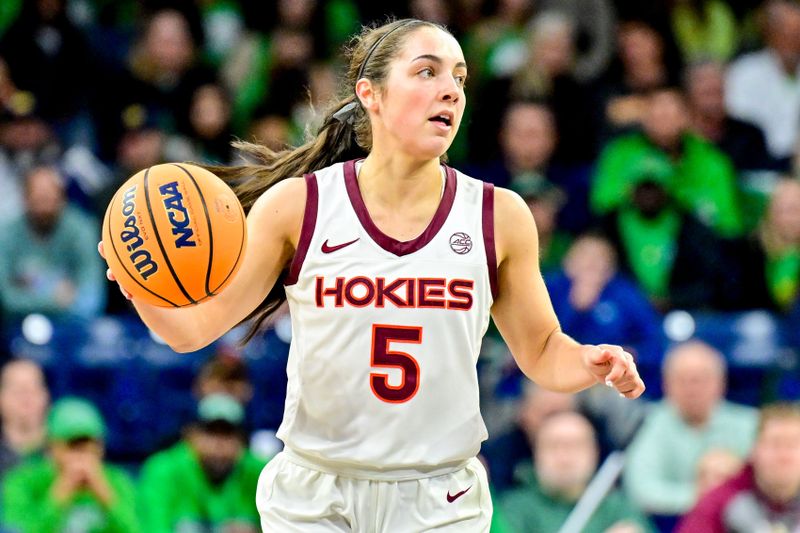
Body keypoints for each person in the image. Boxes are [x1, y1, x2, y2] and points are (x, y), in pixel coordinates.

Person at [100, 18, 644, 530]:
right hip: (317, 492)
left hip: (438, 494)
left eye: (458, 77)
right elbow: (191, 330)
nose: (450, 90)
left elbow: (544, 351)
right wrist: (133, 277)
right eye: (427, 72)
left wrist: (589, 362)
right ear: (371, 94)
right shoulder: (300, 205)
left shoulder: (499, 215)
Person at [623, 341, 757, 516]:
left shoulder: (751, 424)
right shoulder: (647, 423)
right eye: (682, 380)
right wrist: (705, 497)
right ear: (666, 385)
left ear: (721, 383)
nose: (692, 389)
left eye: (700, 380)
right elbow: (640, 490)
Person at [499, 411, 654, 533]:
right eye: (553, 446)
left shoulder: (619, 508)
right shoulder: (513, 509)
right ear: (536, 453)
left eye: (575, 446)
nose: (564, 457)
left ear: (594, 453)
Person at [2, 396, 139, 533]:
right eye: (73, 446)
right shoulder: (23, 483)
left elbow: (137, 529)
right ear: (51, 447)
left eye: (89, 446)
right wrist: (58, 496)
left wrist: (106, 496)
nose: (82, 456)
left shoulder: (118, 481)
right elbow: (17, 530)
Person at [137, 393, 266, 533]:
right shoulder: (163, 470)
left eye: (228, 434)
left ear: (242, 440)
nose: (219, 444)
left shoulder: (261, 473)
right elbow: (153, 527)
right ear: (191, 435)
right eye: (211, 433)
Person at [0, 165, 106, 319]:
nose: (44, 209)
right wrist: (54, 300)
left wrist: (26, 296)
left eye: (50, 199)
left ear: (62, 198)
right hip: (18, 326)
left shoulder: (82, 229)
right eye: (39, 200)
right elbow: (6, 299)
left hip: (74, 326)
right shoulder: (6, 233)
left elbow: (92, 299)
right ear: (25, 199)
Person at [677, 403, 800, 533]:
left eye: (793, 444)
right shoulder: (721, 500)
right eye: (775, 444)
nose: (784, 455)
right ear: (754, 450)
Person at [0, 359, 49, 479]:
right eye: (17, 390)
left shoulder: (67, 450)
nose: (26, 397)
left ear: (45, 395)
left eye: (33, 388)